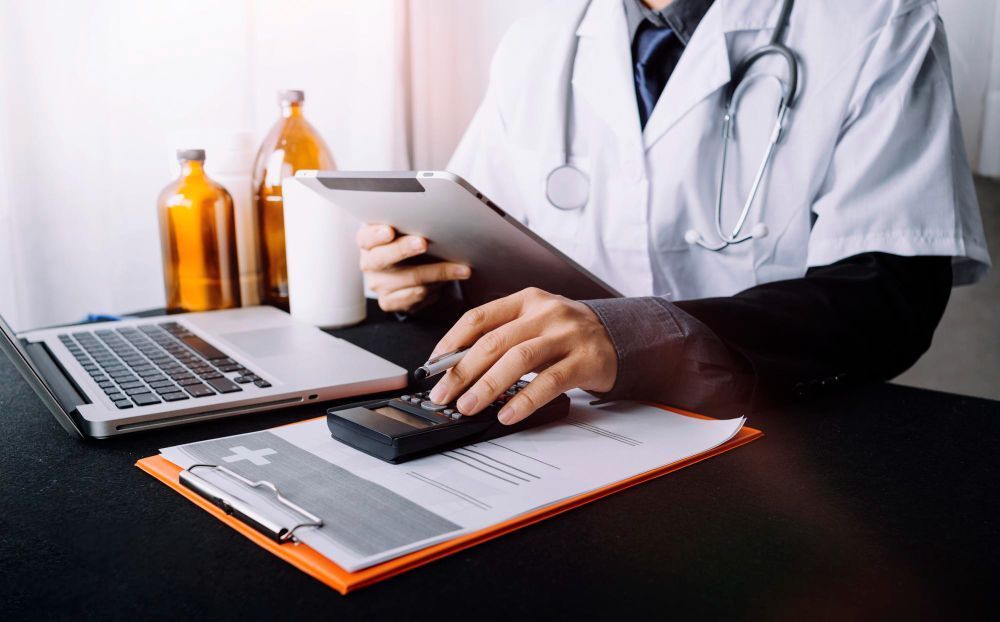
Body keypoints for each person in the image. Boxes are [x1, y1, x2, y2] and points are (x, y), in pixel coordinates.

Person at [357, 0, 990, 423]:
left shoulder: (876, 20)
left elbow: (887, 299)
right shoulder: (541, 35)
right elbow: (486, 239)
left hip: (783, 429)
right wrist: (427, 278)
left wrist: (641, 337)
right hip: (577, 423)